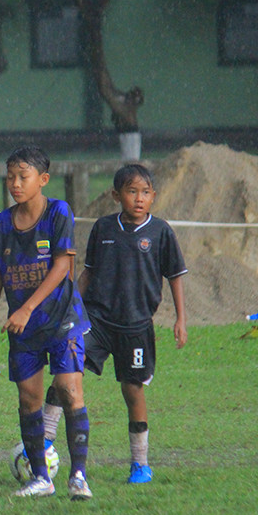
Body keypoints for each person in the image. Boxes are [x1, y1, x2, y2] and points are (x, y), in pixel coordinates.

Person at [46, 164, 187, 485]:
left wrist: (181, 318)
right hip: (97, 319)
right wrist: (71, 307)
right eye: (132, 191)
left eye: (146, 192)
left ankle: (140, 463)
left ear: (153, 196)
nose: (139, 199)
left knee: (132, 390)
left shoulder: (161, 232)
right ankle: (43, 442)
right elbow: (88, 272)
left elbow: (175, 275)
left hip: (136, 326)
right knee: (66, 372)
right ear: (116, 195)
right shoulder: (104, 229)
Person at [0, 145, 93, 500]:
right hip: (22, 328)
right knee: (29, 400)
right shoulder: (2, 222)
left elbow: (62, 266)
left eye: (22, 177)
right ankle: (41, 479)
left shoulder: (58, 212)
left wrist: (26, 307)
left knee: (69, 390)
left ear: (42, 180)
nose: (14, 183)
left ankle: (78, 476)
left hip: (62, 320)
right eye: (10, 176)